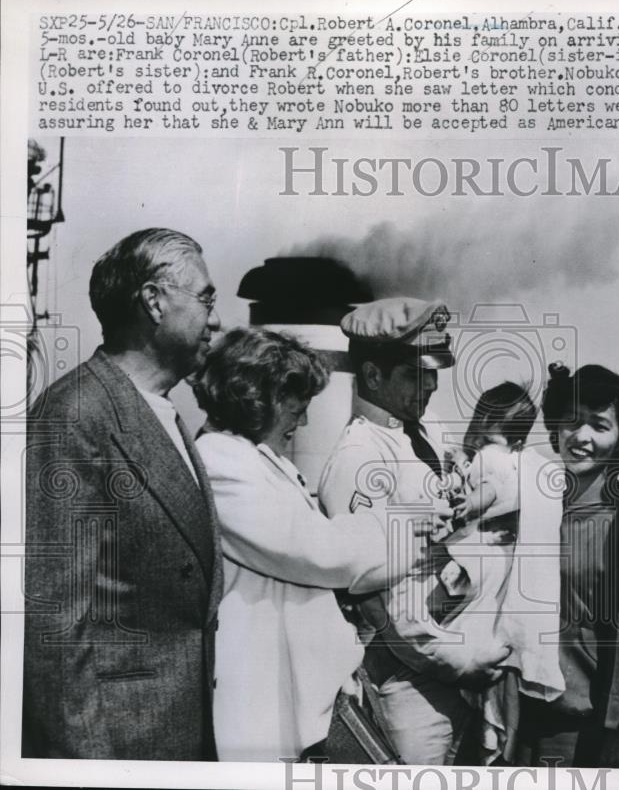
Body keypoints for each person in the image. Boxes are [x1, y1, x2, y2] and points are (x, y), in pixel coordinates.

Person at [193, 327, 447, 762]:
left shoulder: (252, 459)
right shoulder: (220, 462)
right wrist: (405, 524)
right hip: (266, 699)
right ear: (261, 398)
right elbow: (316, 550)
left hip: (302, 692)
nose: (304, 421)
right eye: (299, 406)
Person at [23, 228, 223, 759]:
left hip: (172, 735)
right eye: (205, 298)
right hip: (120, 746)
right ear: (154, 301)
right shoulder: (75, 415)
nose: (216, 318)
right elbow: (56, 627)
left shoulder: (163, 414)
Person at [317, 297, 510, 765]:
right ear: (372, 375)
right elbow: (379, 599)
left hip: (461, 657)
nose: (430, 385)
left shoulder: (424, 432)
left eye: (433, 371)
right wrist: (460, 662)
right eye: (413, 373)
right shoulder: (359, 458)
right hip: (409, 675)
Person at [516, 364, 619, 767]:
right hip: (516, 705)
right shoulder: (531, 503)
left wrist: (617, 727)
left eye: (599, 425)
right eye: (572, 421)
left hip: (577, 717)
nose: (580, 437)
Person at [444, 382, 564, 764]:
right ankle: (504, 741)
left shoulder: (488, 456)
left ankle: (490, 737)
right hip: (508, 567)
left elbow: (489, 492)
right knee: (507, 663)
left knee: (481, 655)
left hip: (483, 568)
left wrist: (465, 509)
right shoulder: (520, 459)